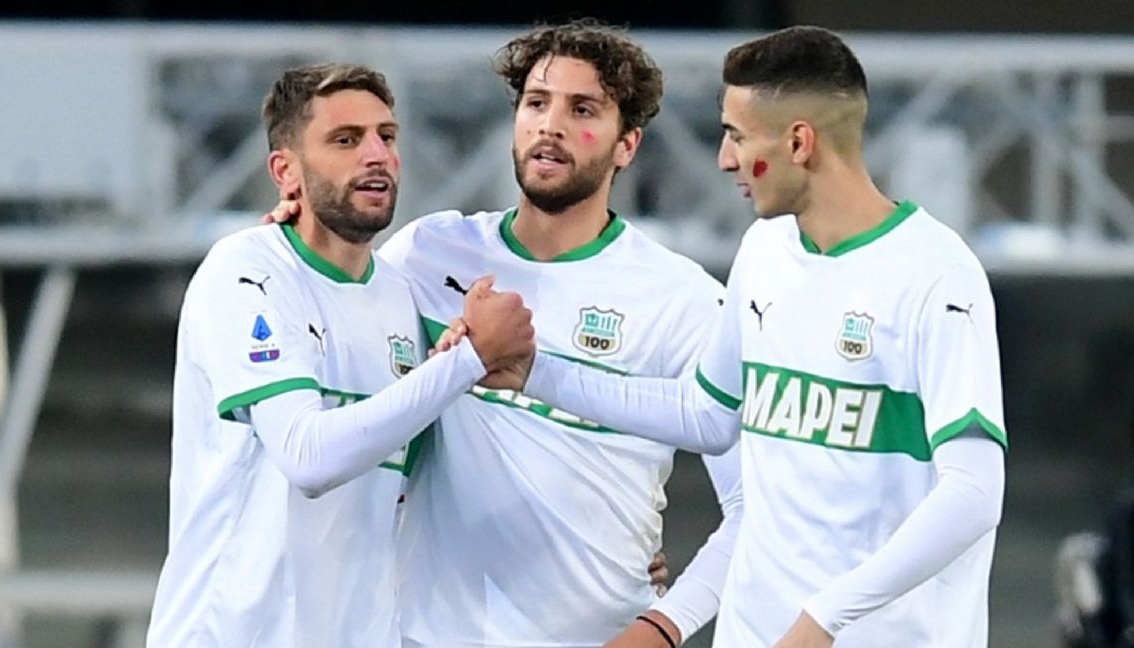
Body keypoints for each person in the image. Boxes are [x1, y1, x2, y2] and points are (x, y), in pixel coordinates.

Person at [489, 26, 1007, 647]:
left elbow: (974, 493)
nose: (724, 159)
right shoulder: (764, 249)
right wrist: (536, 373)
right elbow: (707, 414)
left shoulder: (937, 274)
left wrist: (827, 617)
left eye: (736, 135)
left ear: (799, 142)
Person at [268, 19, 742, 648]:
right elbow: (331, 359)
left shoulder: (683, 299)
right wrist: (292, 234)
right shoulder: (427, 253)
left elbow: (753, 509)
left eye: (582, 109)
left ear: (627, 145)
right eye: (536, 103)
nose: (550, 125)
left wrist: (663, 627)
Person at [146, 63, 533, 648]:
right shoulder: (247, 272)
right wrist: (466, 360)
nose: (377, 155)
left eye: (387, 136)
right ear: (286, 172)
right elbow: (308, 458)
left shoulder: (403, 297)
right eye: (346, 140)